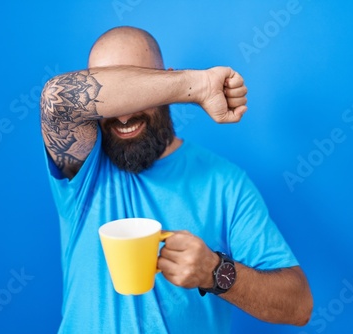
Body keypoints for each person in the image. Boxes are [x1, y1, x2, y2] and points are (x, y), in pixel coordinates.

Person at [40, 26, 313, 333]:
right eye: (112, 97)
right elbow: (57, 98)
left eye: (136, 89)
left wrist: (215, 271)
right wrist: (197, 85)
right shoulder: (84, 168)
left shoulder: (225, 182)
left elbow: (299, 306)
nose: (124, 116)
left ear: (162, 82)